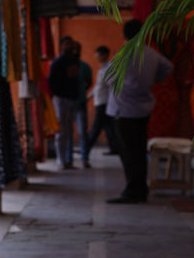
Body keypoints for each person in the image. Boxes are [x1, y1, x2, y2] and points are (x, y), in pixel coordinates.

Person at [106, 19, 173, 204]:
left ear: (125, 35)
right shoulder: (151, 53)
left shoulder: (124, 53)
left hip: (123, 109)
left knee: (128, 152)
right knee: (138, 150)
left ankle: (133, 190)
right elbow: (168, 67)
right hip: (143, 107)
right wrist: (153, 81)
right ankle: (140, 188)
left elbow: (109, 77)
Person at [48, 35, 79, 168]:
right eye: (66, 44)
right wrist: (56, 96)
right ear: (61, 46)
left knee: (68, 131)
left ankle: (68, 160)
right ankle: (60, 160)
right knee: (61, 130)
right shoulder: (57, 62)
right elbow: (51, 82)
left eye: (70, 44)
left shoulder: (74, 61)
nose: (69, 46)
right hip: (61, 99)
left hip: (72, 99)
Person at [86, 45, 117, 158]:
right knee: (109, 127)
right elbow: (98, 86)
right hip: (100, 101)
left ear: (104, 55)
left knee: (97, 126)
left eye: (98, 55)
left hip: (105, 102)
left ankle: (87, 147)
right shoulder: (102, 68)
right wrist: (89, 96)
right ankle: (114, 147)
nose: (97, 57)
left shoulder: (109, 68)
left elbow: (111, 86)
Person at [66, 40, 92, 168]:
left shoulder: (84, 66)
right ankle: (68, 160)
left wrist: (82, 90)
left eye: (78, 49)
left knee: (82, 132)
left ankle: (84, 159)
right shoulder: (65, 66)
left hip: (80, 102)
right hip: (68, 102)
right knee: (68, 133)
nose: (76, 52)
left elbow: (89, 81)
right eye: (73, 49)